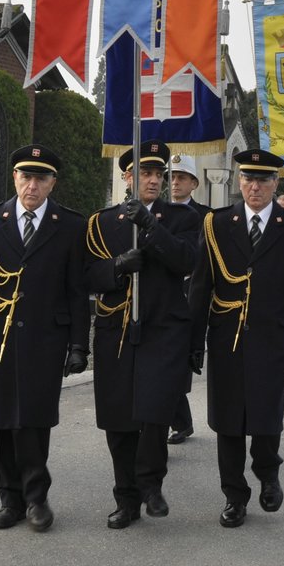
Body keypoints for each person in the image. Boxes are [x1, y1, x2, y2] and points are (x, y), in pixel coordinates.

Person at [0, 145, 89, 533]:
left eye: (41, 178)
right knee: (3, 420)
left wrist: (79, 343)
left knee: (34, 421)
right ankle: (9, 499)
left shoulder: (71, 225)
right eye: (26, 177)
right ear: (14, 178)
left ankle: (36, 497)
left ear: (52, 183)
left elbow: (77, 290)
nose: (32, 185)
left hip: (46, 338)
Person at [187, 148, 284, 529]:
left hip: (273, 337)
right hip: (226, 335)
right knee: (227, 419)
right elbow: (201, 285)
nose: (254, 186)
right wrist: (193, 341)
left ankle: (267, 470)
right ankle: (234, 494)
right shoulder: (217, 223)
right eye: (248, 179)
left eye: (263, 180)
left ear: (275, 183)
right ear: (239, 181)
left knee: (265, 413)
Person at [83, 141, 200, 529]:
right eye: (144, 173)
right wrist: (117, 266)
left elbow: (186, 261)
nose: (152, 180)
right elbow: (86, 275)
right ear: (128, 177)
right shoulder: (102, 222)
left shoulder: (180, 218)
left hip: (162, 329)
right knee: (118, 419)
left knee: (153, 412)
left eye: (157, 174)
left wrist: (150, 226)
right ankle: (126, 498)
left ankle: (151, 485)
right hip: (117, 329)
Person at [165, 153, 208, 445]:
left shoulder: (207, 216)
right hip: (163, 295)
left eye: (181, 177)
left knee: (180, 358)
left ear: (194, 183)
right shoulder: (157, 211)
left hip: (193, 291)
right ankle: (179, 420)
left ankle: (180, 420)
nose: (175, 183)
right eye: (172, 177)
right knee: (165, 359)